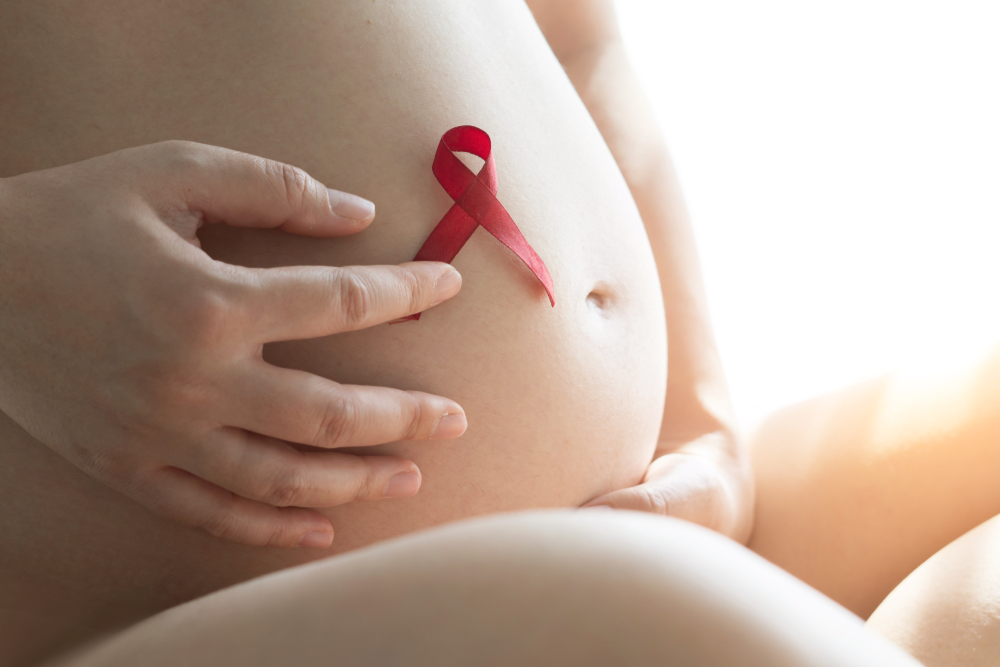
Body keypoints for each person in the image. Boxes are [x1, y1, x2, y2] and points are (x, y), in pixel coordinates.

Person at [0, 1, 990, 666]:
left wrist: (701, 424)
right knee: (662, 613)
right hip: (142, 621)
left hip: (623, 512)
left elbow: (575, 38)